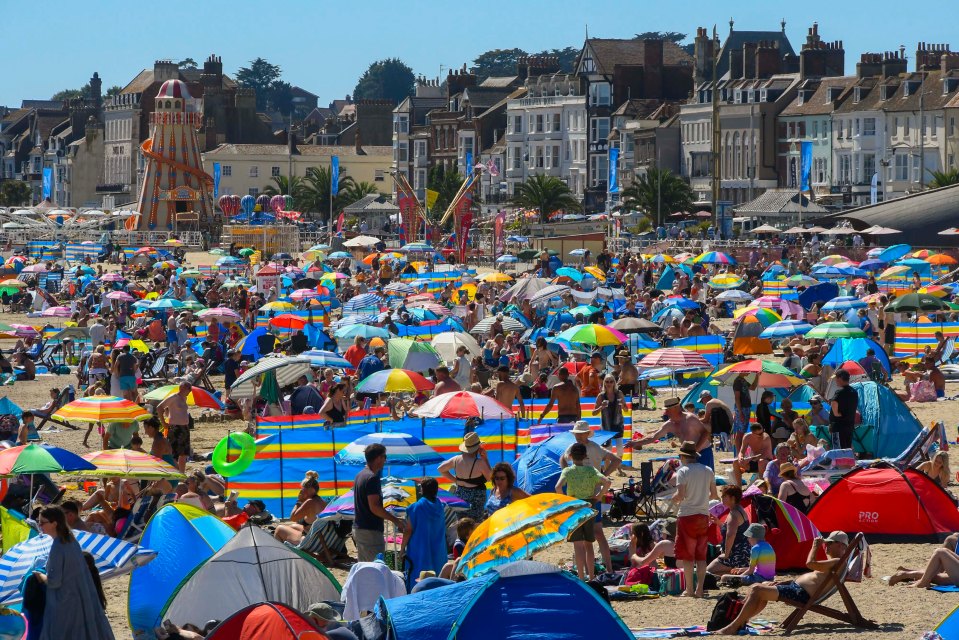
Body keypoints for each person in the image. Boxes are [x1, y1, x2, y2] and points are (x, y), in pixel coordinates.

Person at [718, 531, 851, 635]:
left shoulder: (837, 562)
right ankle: (742, 621)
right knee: (761, 586)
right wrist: (784, 582)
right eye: (825, 543)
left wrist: (814, 547)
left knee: (757, 590)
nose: (825, 546)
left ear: (840, 545)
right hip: (796, 588)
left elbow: (810, 564)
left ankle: (734, 626)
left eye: (829, 543)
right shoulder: (835, 562)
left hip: (801, 594)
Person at [33, 506, 115, 639]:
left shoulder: (57, 546)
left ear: (54, 523)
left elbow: (54, 582)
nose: (40, 525)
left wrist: (40, 575)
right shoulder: (71, 540)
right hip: (82, 599)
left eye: (42, 522)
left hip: (65, 604)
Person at [555, 442, 611, 581]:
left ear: (570, 456)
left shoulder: (567, 471)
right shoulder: (591, 470)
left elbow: (558, 487)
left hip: (574, 506)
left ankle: (581, 577)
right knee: (589, 543)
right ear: (585, 456)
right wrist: (598, 496)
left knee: (578, 545)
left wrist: (565, 501)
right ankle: (591, 576)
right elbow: (607, 482)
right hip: (589, 505)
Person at [672, 441, 718, 598]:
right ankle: (699, 589)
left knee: (687, 556)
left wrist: (674, 499)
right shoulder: (707, 470)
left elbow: (680, 495)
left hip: (687, 515)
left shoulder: (683, 471)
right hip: (703, 515)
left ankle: (690, 589)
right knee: (701, 555)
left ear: (683, 456)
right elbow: (714, 495)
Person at [352, 443, 409, 562]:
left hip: (360, 528)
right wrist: (395, 520)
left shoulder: (359, 475)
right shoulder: (372, 478)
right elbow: (374, 507)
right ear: (378, 458)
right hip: (370, 531)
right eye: (384, 456)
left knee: (365, 568)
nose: (385, 460)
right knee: (375, 568)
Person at [629, 396, 714, 470]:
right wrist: (636, 442)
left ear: (676, 408)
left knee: (706, 482)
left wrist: (696, 450)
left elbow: (705, 433)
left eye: (668, 410)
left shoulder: (690, 419)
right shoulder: (669, 424)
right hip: (688, 455)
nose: (666, 413)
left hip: (703, 452)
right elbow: (653, 437)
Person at [402, 478, 448, 590]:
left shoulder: (416, 507)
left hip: (419, 551)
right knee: (437, 582)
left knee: (418, 583)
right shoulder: (441, 507)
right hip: (439, 551)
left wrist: (402, 549)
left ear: (422, 490)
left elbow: (408, 530)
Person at [437, 432, 492, 521]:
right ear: (478, 448)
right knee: (475, 525)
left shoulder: (456, 459)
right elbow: (490, 477)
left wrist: (456, 481)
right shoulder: (480, 463)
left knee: (461, 523)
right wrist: (485, 459)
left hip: (461, 494)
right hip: (476, 497)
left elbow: (440, 469)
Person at [707, 485, 751, 577]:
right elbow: (734, 529)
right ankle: (739, 573)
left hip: (737, 554)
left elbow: (730, 535)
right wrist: (718, 523)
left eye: (724, 496)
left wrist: (726, 555)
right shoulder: (739, 509)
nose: (722, 498)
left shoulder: (734, 514)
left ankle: (739, 573)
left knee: (709, 571)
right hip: (744, 553)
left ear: (733, 498)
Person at [274, 471, 327, 544]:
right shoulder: (322, 501)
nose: (301, 490)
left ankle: (282, 554)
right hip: (322, 538)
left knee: (279, 529)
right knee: (293, 526)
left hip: (312, 541)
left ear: (309, 489)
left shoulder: (310, 502)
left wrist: (299, 501)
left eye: (303, 488)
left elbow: (293, 518)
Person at [156, 381, 192, 472]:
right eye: (189, 389)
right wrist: (163, 422)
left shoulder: (184, 398)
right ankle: (173, 473)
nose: (190, 391)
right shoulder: (173, 397)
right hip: (175, 428)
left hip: (184, 428)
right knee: (173, 454)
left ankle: (182, 475)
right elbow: (159, 408)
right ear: (182, 388)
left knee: (184, 454)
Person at [594, 374, 628, 456]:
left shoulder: (619, 393)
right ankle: (608, 467)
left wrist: (623, 405)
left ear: (614, 383)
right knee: (607, 449)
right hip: (606, 425)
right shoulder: (601, 396)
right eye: (607, 381)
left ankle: (619, 467)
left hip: (618, 423)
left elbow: (626, 410)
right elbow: (594, 412)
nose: (609, 383)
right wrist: (601, 407)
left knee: (619, 448)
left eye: (611, 381)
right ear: (604, 383)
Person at [829, 369, 858, 450]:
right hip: (849, 425)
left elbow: (834, 402)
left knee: (838, 449)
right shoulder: (854, 392)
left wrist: (836, 413)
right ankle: (847, 462)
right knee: (847, 448)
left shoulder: (840, 392)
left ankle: (841, 463)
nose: (835, 380)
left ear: (840, 378)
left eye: (836, 378)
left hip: (838, 426)